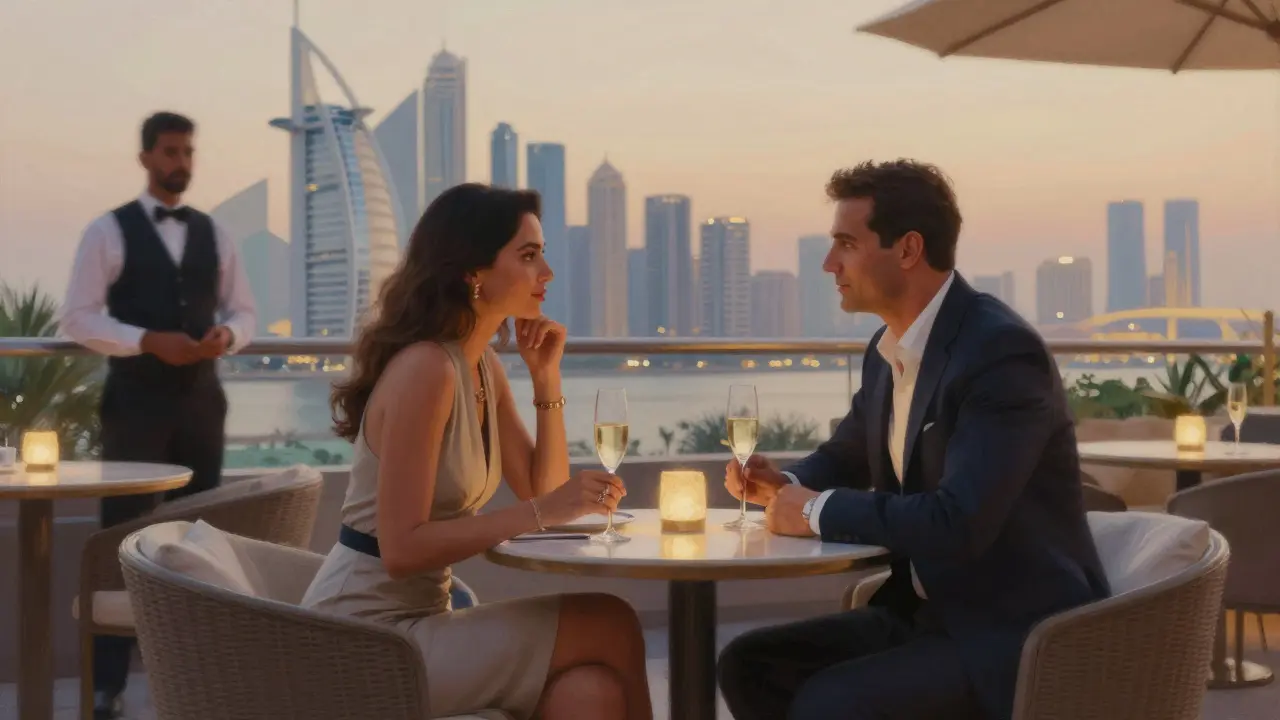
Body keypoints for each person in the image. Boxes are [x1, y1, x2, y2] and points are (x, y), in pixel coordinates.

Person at [716, 160, 1109, 720]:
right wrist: (786, 483)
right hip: (924, 615)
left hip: (1012, 631)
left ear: (907, 250)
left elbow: (959, 522)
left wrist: (816, 512)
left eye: (846, 244)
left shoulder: (999, 354)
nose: (830, 264)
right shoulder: (888, 350)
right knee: (748, 664)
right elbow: (847, 452)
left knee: (832, 703)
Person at [306, 183, 653, 720]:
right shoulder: (427, 370)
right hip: (365, 637)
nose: (547, 274)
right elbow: (401, 549)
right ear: (474, 271)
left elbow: (543, 487)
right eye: (529, 256)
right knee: (609, 622)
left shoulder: (480, 365)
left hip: (423, 618)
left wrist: (545, 381)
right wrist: (539, 513)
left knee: (591, 693)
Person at [60, 111, 256, 719]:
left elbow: (246, 311)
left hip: (202, 405)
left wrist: (228, 334)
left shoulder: (215, 233)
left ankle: (198, 677)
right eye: (171, 152)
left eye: (189, 152)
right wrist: (147, 340)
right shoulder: (106, 232)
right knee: (122, 536)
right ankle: (106, 687)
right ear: (146, 158)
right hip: (135, 406)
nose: (182, 163)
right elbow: (78, 318)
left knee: (201, 539)